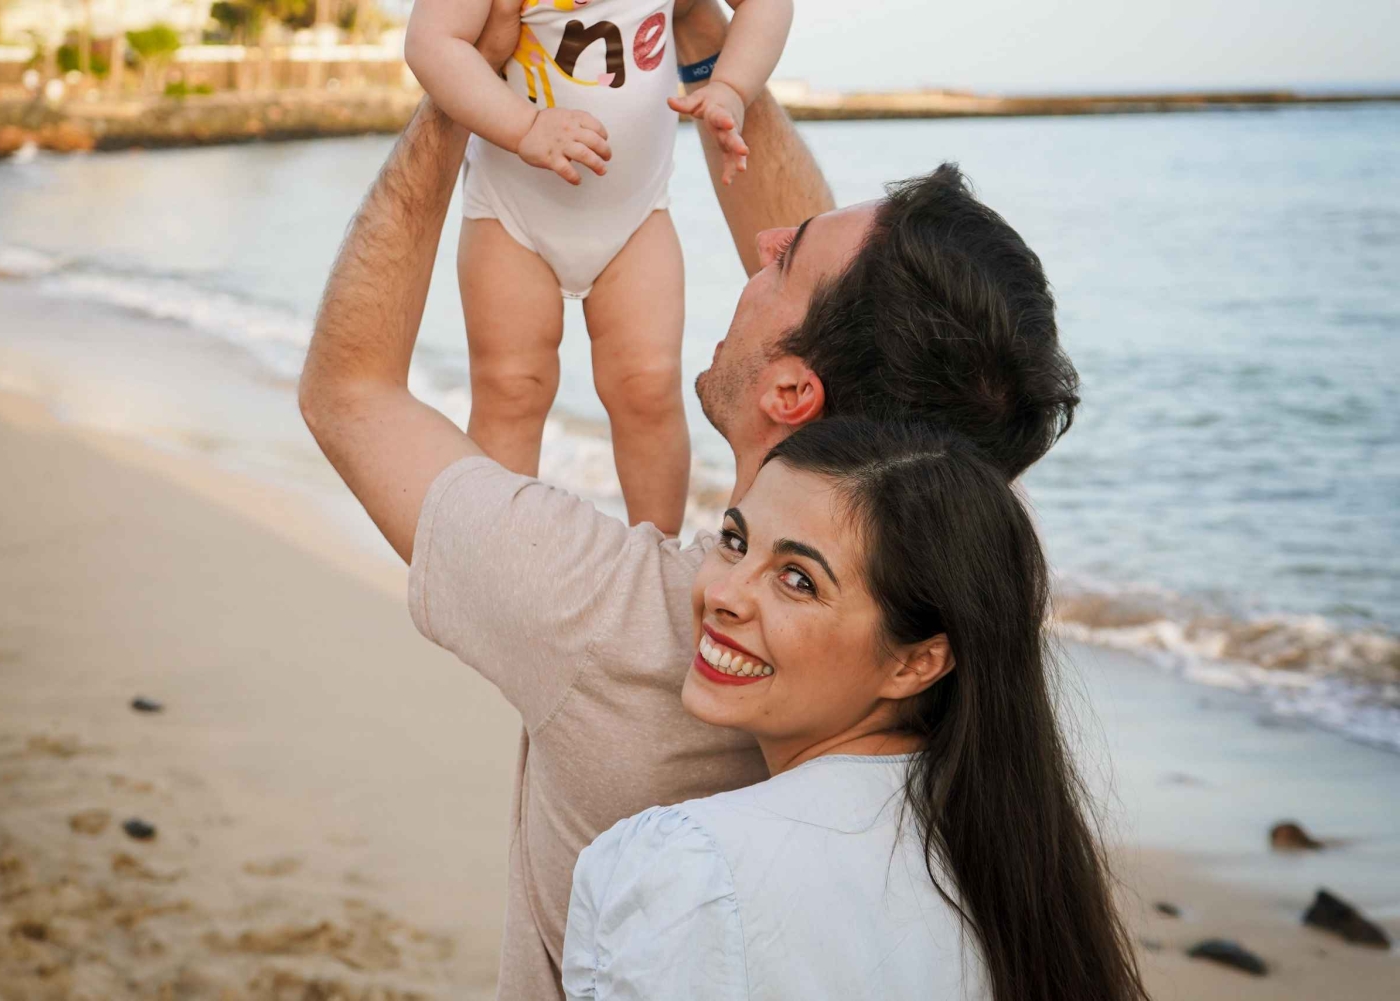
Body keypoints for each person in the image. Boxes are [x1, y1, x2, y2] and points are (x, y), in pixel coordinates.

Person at [299, 2, 1080, 997]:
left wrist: (459, 104)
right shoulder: (952, 616)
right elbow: (868, 340)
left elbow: (348, 390)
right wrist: (713, 57)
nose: (762, 244)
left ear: (792, 394)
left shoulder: (602, 619)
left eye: (781, 260)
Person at [563, 418, 1148, 1000]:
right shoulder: (1019, 866)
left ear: (916, 663)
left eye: (798, 580)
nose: (722, 593)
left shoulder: (693, 867)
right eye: (735, 541)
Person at [405, 0, 793, 534]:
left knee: (648, 389)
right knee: (510, 388)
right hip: (511, 214)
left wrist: (731, 85)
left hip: (636, 216)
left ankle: (656, 550)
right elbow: (431, 43)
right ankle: (497, 549)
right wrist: (525, 125)